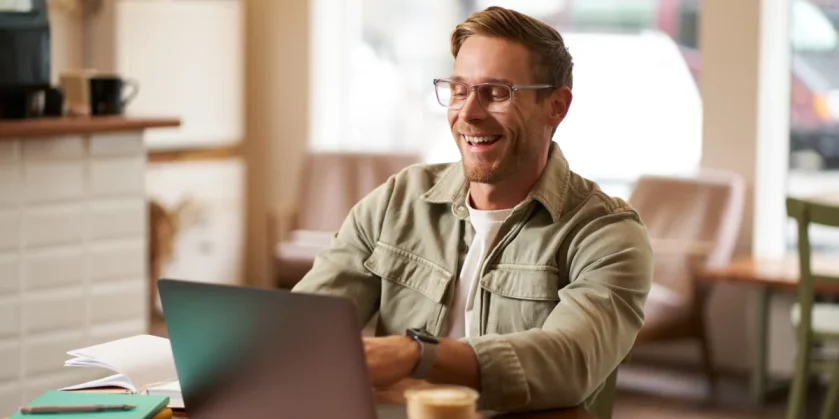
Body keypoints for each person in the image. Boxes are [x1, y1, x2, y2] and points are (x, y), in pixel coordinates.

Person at [292, 6, 653, 414]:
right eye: (459, 90)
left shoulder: (607, 234)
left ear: (556, 106)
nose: (468, 113)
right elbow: (307, 327)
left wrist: (416, 354)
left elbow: (570, 361)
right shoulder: (398, 200)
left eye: (497, 93)